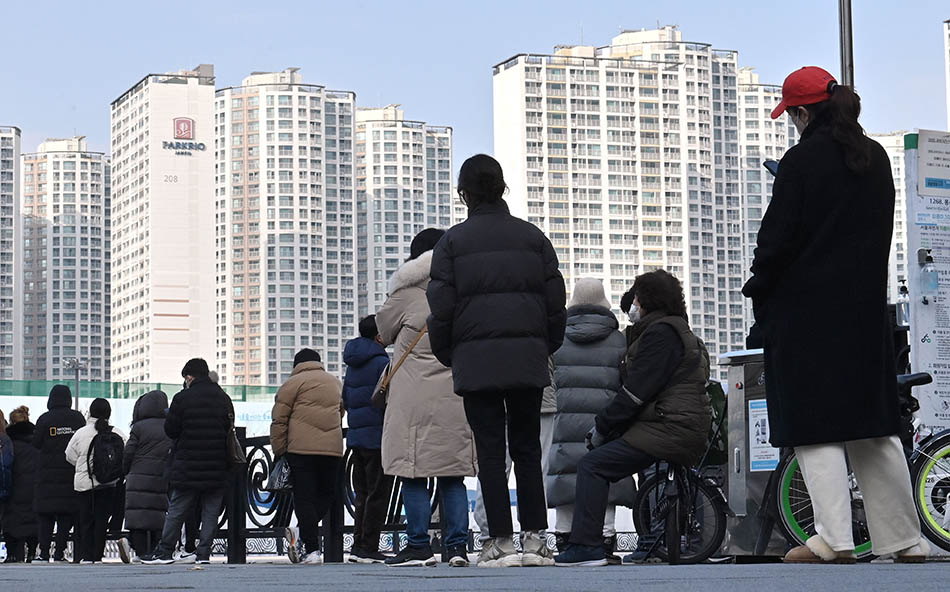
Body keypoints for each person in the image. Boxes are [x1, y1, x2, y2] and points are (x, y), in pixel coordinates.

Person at [742, 66, 930, 564]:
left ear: (803, 112)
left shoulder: (801, 162)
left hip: (806, 313)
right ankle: (903, 538)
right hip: (864, 312)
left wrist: (757, 286)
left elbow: (776, 240)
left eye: (792, 116)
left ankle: (834, 539)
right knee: (874, 423)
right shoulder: (875, 158)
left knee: (813, 424)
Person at [426, 154, 567, 567]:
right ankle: (536, 539)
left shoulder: (451, 243)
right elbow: (555, 305)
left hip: (476, 362)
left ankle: (499, 542)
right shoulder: (534, 238)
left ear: (464, 193)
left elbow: (442, 309)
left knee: (489, 451)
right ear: (502, 189)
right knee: (526, 448)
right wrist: (543, 347)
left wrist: (453, 355)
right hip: (527, 360)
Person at [554, 270, 711, 567]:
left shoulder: (660, 334)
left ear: (648, 300)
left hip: (669, 426)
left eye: (637, 297)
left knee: (593, 464)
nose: (633, 303)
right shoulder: (676, 329)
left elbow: (636, 392)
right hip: (681, 424)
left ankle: (587, 546)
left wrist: (602, 427)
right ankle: (608, 542)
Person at [377, 228, 477, 568]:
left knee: (412, 471)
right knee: (453, 474)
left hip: (412, 399)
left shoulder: (406, 295)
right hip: (455, 395)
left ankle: (419, 544)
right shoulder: (466, 292)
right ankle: (458, 547)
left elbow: (382, 330)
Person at [546, 279, 632, 565]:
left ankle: (565, 538)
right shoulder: (619, 340)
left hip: (563, 426)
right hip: (604, 426)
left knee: (565, 480)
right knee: (604, 479)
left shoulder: (556, 339)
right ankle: (605, 541)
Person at [142, 358, 233, 565]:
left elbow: (171, 430)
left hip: (188, 463)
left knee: (178, 507)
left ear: (189, 377)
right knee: (211, 510)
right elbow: (229, 426)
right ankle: (203, 554)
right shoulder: (222, 397)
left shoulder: (182, 398)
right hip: (217, 463)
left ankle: (165, 551)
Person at [270, 348, 345, 565]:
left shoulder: (292, 384)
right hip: (331, 449)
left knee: (304, 496)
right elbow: (341, 412)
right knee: (326, 494)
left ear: (296, 365)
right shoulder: (335, 383)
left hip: (300, 450)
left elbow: (279, 420)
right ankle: (303, 533)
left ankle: (312, 549)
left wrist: (279, 450)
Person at [341, 315, 394, 563]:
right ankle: (369, 546)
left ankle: (358, 544)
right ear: (379, 335)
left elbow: (347, 399)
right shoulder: (382, 361)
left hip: (355, 437)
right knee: (378, 493)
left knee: (362, 494)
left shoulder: (352, 363)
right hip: (378, 435)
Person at [65, 398, 126, 564]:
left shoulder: (81, 433)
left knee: (85, 520)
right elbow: (125, 456)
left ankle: (86, 555)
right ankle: (98, 555)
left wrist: (83, 467)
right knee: (101, 520)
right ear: (109, 413)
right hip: (108, 484)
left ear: (91, 413)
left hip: (85, 484)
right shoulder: (117, 433)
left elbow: (69, 456)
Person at [32, 384, 86, 562]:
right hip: (69, 475)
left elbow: (36, 443)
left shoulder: (44, 419)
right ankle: (60, 553)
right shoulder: (77, 419)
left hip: (46, 477)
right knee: (65, 516)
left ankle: (44, 553)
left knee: (46, 516)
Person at [118, 390, 172, 563]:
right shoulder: (169, 426)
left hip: (138, 476)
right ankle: (155, 549)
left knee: (138, 514)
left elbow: (129, 453)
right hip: (161, 475)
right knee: (157, 513)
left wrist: (126, 471)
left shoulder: (139, 427)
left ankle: (138, 549)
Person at [2, 407, 38, 562]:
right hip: (33, 488)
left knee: (11, 520)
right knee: (33, 520)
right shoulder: (36, 441)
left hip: (14, 487)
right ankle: (31, 552)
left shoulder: (8, 442)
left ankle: (11, 554)